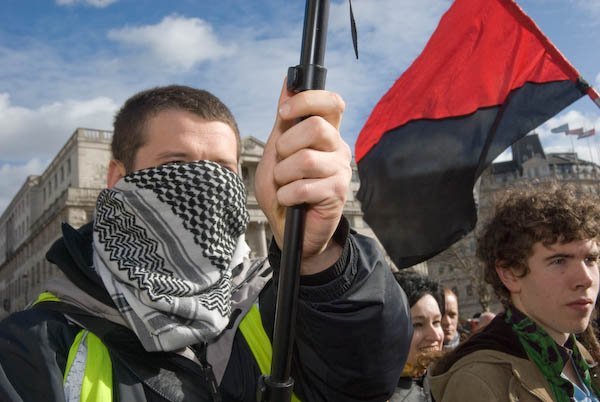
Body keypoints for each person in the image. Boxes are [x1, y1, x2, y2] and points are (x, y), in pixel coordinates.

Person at [0, 82, 411, 402]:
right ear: (117, 178)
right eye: (176, 164)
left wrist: (316, 260)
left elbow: (361, 379)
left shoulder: (277, 307)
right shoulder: (33, 345)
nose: (205, 189)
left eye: (222, 170)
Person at [429, 184, 600, 402]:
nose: (585, 279)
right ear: (510, 274)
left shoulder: (581, 355)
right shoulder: (478, 382)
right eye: (559, 261)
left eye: (590, 259)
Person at [391, 271, 445, 402]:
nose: (434, 336)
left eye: (436, 322)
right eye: (418, 324)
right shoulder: (371, 393)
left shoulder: (450, 379)